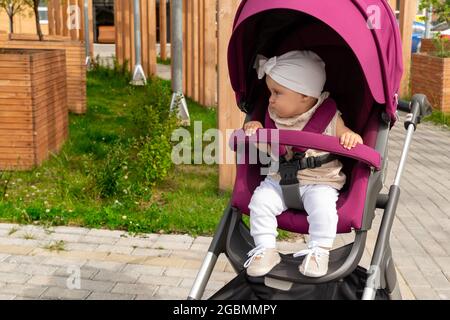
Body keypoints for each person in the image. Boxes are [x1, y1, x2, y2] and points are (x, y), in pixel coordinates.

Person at [243, 50, 363, 278]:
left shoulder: (328, 117)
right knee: (260, 202)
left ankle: (319, 251)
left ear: (305, 96)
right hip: (279, 179)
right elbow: (267, 146)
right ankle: (266, 248)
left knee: (323, 210)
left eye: (277, 92)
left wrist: (350, 137)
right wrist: (256, 130)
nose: (271, 99)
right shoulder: (272, 116)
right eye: (270, 92)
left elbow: (346, 133)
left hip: (319, 181)